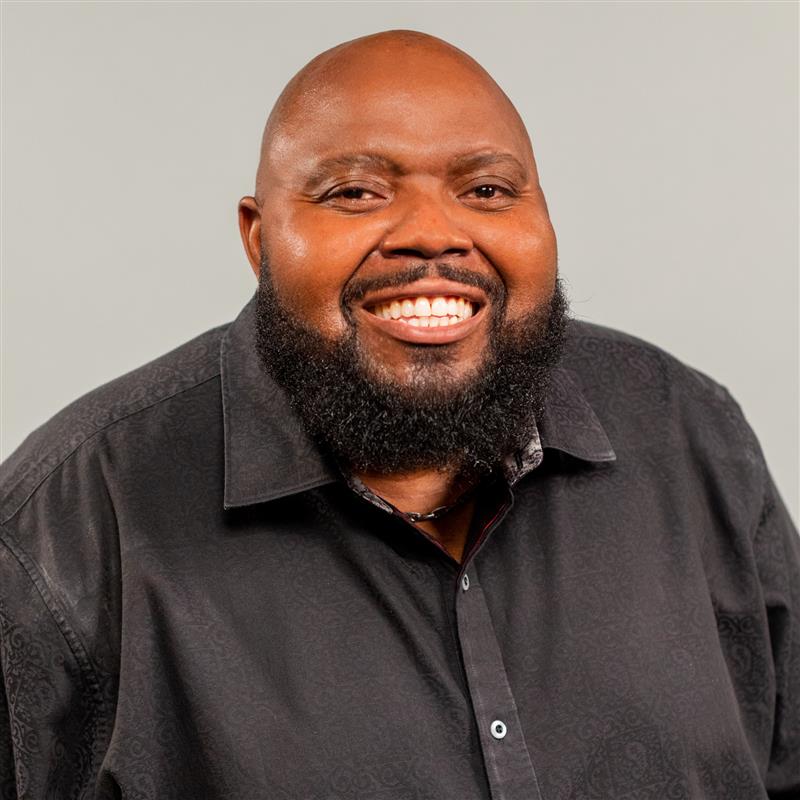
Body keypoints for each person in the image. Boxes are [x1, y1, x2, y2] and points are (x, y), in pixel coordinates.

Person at [1, 29, 797, 799]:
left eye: (486, 191)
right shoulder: (65, 529)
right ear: (259, 237)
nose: (432, 234)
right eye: (355, 193)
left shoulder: (690, 433)